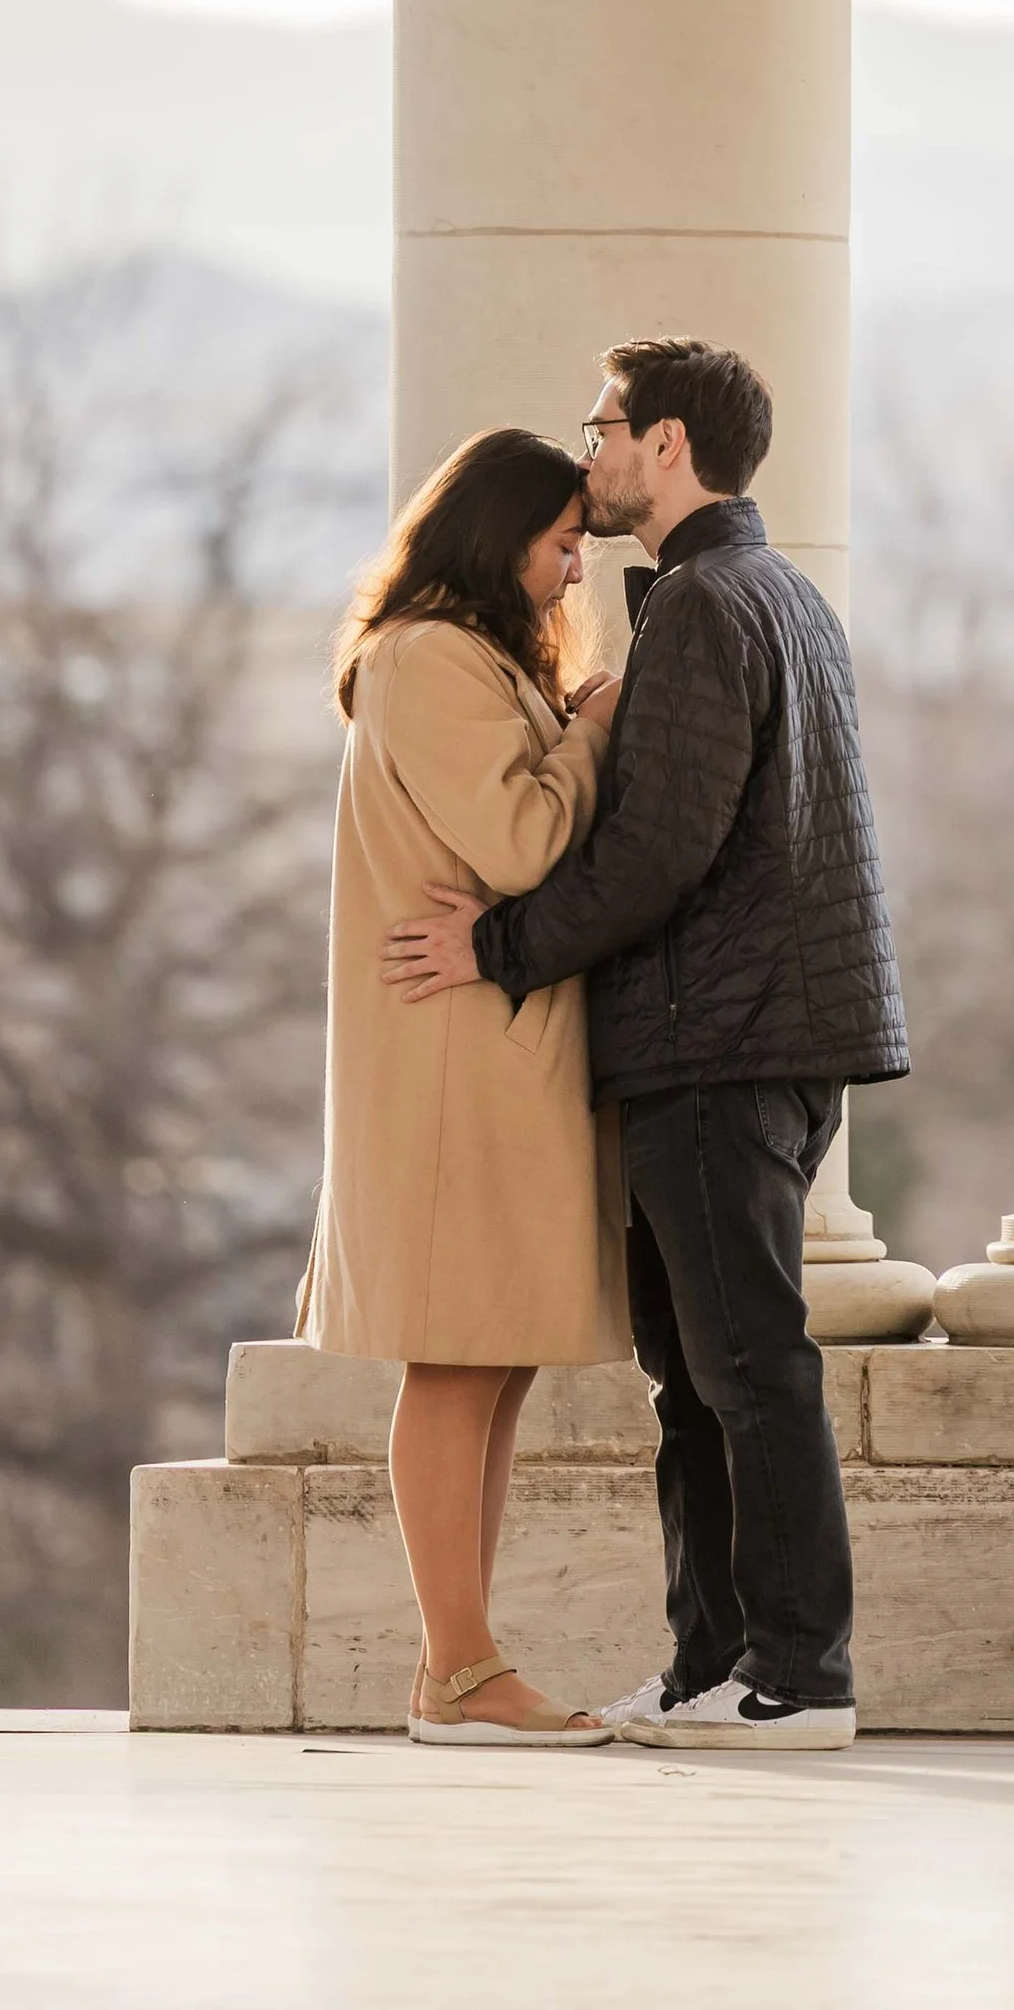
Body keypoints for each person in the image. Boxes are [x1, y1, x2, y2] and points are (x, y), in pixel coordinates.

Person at [384, 339, 908, 1752]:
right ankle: (714, 1666)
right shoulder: (777, 592)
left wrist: (499, 947)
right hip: (756, 1037)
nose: (591, 455)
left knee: (745, 1369)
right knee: (700, 1377)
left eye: (603, 427)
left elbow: (660, 847)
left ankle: (795, 1676)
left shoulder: (703, 603)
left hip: (716, 1041)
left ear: (667, 442)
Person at [298, 426, 628, 1747]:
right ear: (500, 535)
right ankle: (459, 1668)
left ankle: (463, 1662)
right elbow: (524, 837)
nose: (571, 570)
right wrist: (591, 731)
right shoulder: (430, 657)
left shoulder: (465, 657)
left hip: (489, 1053)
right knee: (454, 1363)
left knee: (492, 1362)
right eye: (560, 542)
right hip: (454, 1065)